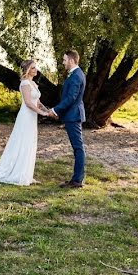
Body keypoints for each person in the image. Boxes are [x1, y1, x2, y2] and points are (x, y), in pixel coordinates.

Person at [47, 49, 87, 188]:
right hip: (72, 114)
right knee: (77, 147)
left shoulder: (76, 76)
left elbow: (71, 98)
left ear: (71, 60)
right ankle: (77, 179)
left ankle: (77, 181)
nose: (63, 62)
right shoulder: (76, 74)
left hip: (73, 115)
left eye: (64, 60)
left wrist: (55, 109)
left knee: (78, 147)